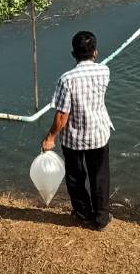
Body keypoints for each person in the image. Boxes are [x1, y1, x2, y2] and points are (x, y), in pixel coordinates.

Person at [41, 30, 112, 230]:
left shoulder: (66, 79)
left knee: (75, 178)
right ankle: (101, 218)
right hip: (98, 134)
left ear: (73, 53)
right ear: (95, 53)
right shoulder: (104, 71)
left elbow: (63, 115)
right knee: (100, 177)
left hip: (74, 139)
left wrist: (50, 138)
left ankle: (83, 214)